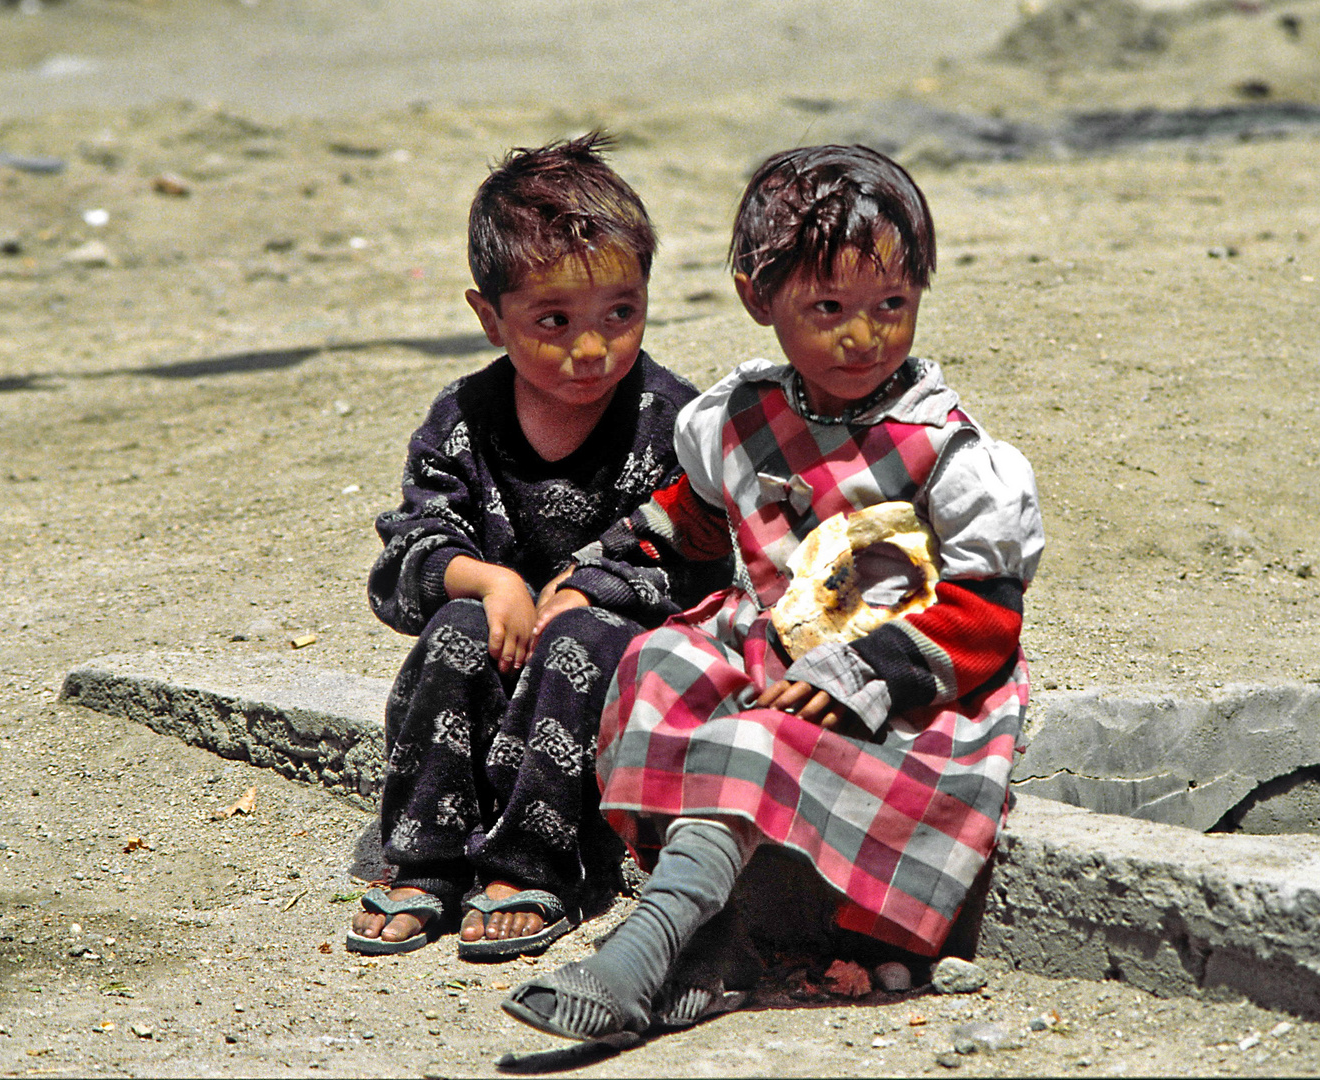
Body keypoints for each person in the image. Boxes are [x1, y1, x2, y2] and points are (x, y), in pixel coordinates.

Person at [501, 143, 1044, 1038]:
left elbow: (986, 616)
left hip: (901, 681)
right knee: (661, 663)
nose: (863, 335)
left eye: (891, 305)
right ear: (761, 299)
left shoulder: (942, 451)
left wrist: (856, 673)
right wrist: (587, 575)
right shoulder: (742, 419)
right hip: (765, 644)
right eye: (828, 307)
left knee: (761, 736)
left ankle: (651, 943)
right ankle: (710, 948)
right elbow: (692, 521)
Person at [348, 132, 727, 961]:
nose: (590, 350)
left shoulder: (671, 422)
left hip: (606, 660)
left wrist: (590, 587)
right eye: (553, 321)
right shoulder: (463, 418)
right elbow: (407, 548)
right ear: (490, 317)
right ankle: (428, 857)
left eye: (619, 314)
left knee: (577, 639)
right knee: (453, 628)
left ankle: (538, 863)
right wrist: (486, 580)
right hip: (495, 640)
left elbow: (699, 554)